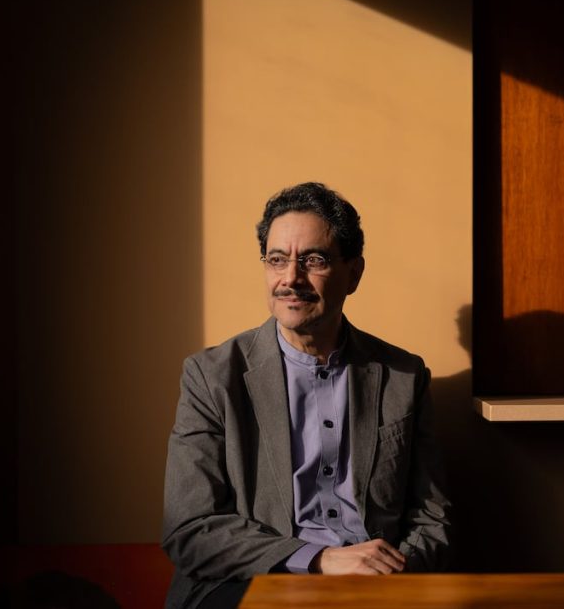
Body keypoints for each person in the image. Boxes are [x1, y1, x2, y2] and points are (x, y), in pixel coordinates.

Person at [162, 182, 451, 609]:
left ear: (353, 274)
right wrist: (318, 559)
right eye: (277, 259)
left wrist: (393, 574)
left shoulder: (403, 376)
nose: (291, 278)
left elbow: (432, 518)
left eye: (313, 260)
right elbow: (190, 529)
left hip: (375, 592)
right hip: (253, 581)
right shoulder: (211, 377)